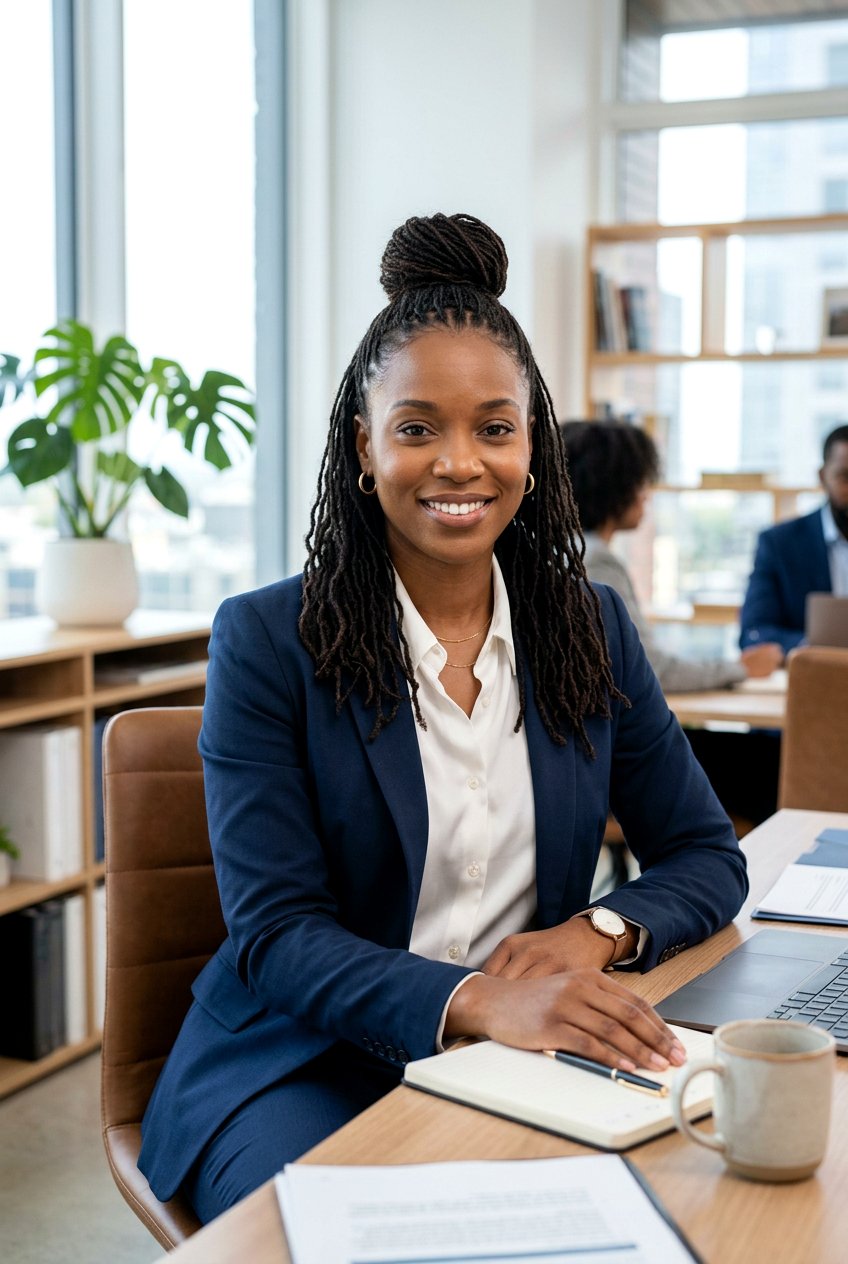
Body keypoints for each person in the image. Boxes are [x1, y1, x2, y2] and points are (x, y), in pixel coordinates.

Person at [138, 213, 748, 1223]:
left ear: (530, 447)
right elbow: (275, 934)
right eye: (417, 426)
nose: (458, 463)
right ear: (364, 446)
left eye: (493, 427)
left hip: (526, 1056)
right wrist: (472, 998)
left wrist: (597, 930)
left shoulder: (587, 626)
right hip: (301, 1058)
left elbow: (701, 852)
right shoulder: (267, 641)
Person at [559, 420, 783, 691]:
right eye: (640, 483)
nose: (646, 496)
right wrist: (741, 669)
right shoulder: (595, 561)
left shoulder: (561, 550)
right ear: (614, 487)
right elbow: (654, 671)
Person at [740, 423, 848, 657]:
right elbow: (754, 632)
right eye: (845, 477)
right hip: (812, 682)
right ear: (823, 477)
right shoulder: (780, 545)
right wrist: (810, 648)